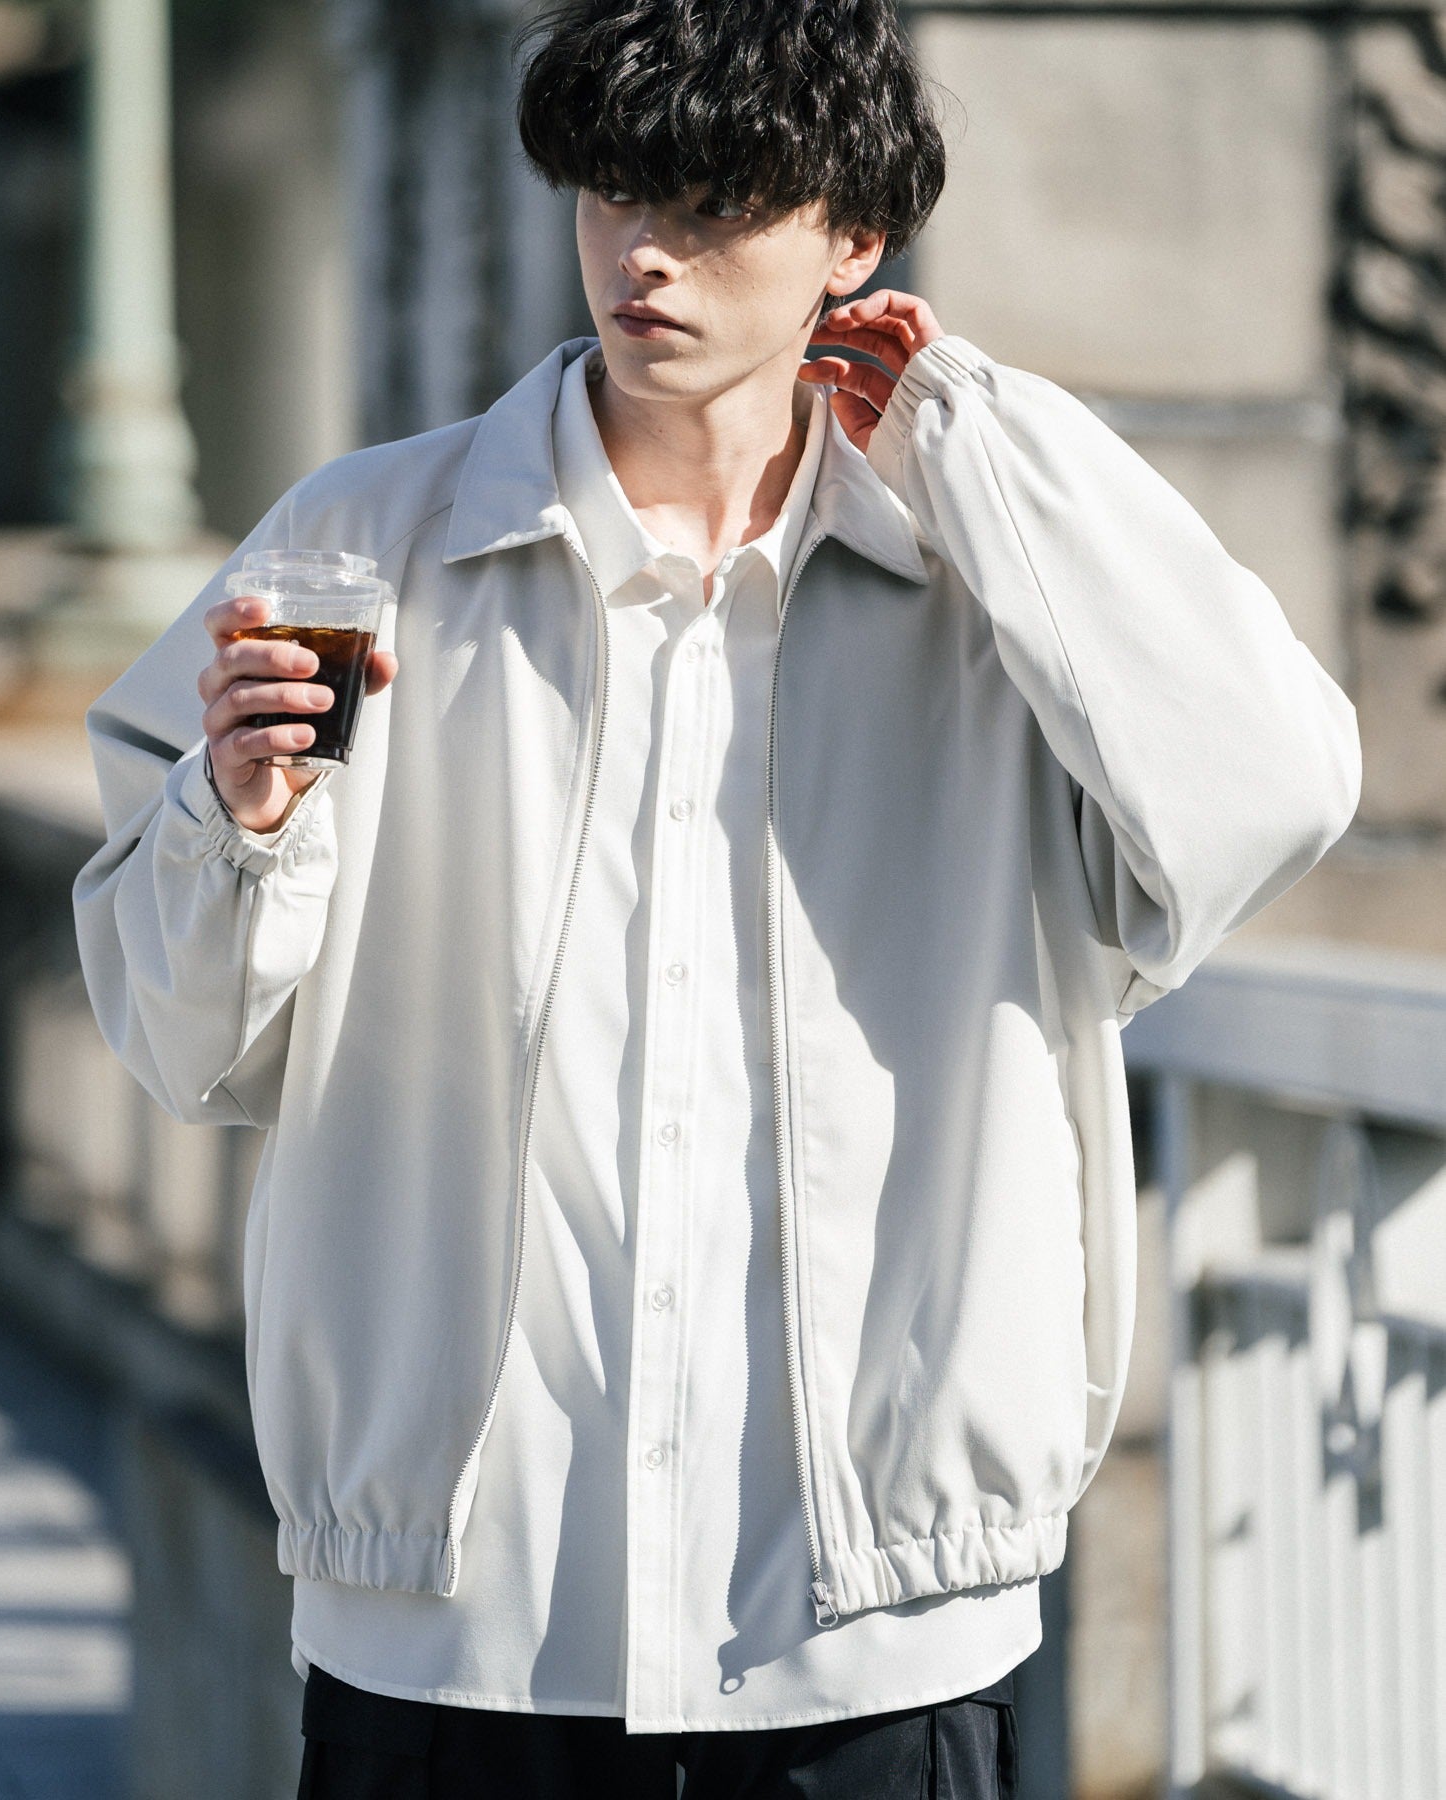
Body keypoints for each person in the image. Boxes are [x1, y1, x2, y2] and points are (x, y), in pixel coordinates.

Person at [71, 1, 1363, 1795]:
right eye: (614, 193)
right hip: (453, 1639)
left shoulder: (985, 605)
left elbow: (1274, 788)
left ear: (855, 240)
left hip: (876, 1642)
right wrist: (238, 815)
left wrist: (981, 439)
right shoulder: (359, 552)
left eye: (716, 202)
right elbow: (176, 1037)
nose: (646, 254)